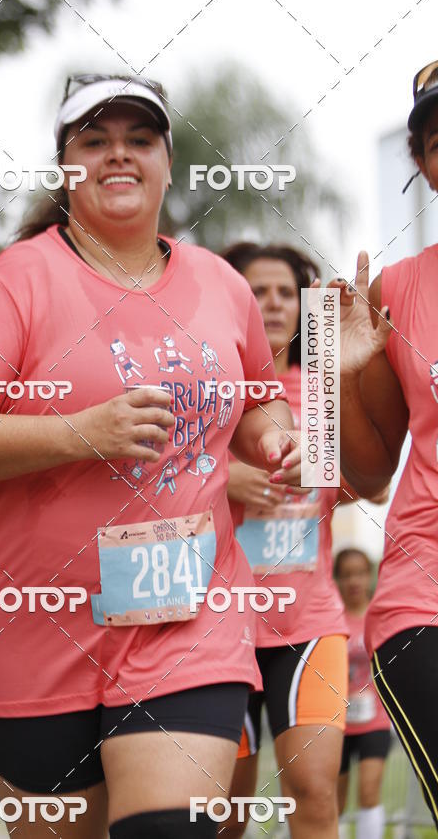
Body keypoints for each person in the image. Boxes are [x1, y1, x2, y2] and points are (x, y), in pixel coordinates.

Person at [0, 74, 304, 838]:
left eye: (139, 139)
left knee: (170, 829)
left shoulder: (222, 285)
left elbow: (260, 398)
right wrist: (80, 432)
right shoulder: (12, 282)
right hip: (30, 628)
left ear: (167, 158)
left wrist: (276, 435)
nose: (118, 155)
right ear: (66, 165)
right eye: (94, 140)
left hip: (187, 618)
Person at [221, 243, 358, 839]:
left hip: (308, 623)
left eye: (286, 293)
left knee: (314, 795)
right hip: (217, 624)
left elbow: (368, 479)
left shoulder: (326, 386)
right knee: (224, 812)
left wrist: (324, 464)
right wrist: (229, 477)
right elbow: (154, 473)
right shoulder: (208, 383)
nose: (273, 303)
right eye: (257, 290)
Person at [334, 58, 438, 828]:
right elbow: (368, 475)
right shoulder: (395, 290)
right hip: (422, 599)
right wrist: (345, 376)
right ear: (422, 165)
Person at [334, 548, 391, 839]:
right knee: (336, 803)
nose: (354, 581)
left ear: (370, 576)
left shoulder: (380, 615)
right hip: (336, 724)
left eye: (359, 573)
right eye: (346, 575)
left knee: (369, 791)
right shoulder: (330, 618)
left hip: (376, 721)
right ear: (337, 580)